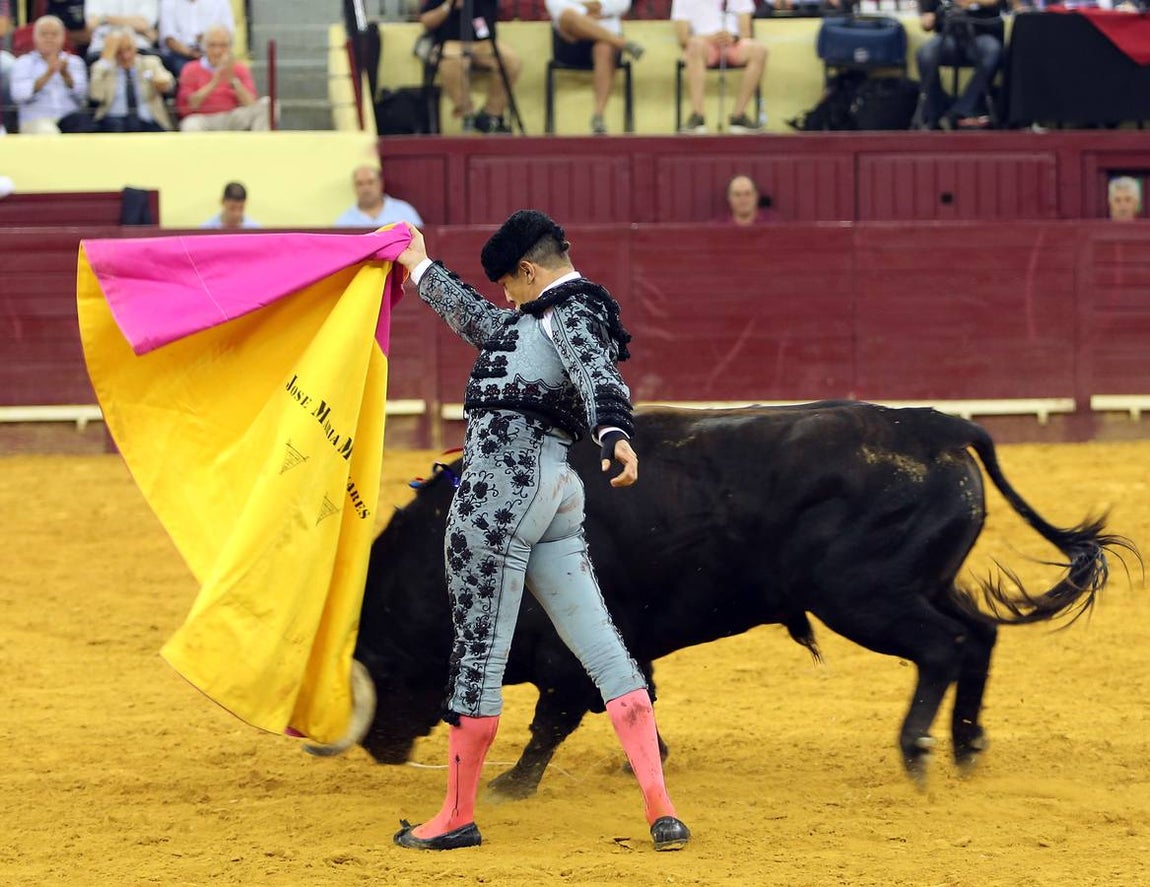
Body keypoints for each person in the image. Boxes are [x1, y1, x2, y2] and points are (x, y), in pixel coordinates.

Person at [390, 210, 691, 853]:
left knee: (478, 654)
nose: (505, 297)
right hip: (556, 492)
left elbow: (595, 371)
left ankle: (456, 816)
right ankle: (661, 810)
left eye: (509, 284)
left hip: (500, 493)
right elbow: (485, 324)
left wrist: (615, 431)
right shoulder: (539, 319)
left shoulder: (566, 313)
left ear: (529, 270)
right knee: (604, 648)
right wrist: (419, 266)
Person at [543, 0, 645, 135]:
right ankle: (622, 43)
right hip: (571, 43)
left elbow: (622, 4)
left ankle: (598, 116)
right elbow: (555, 6)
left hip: (606, 37)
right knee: (568, 16)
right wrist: (585, 13)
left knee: (605, 48)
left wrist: (598, 8)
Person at [418, 0, 521, 134]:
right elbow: (427, 22)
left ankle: (491, 116)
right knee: (450, 63)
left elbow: (487, 27)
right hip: (449, 44)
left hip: (481, 44)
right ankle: (467, 113)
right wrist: (449, 6)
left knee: (510, 60)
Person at [671, 0, 768, 134]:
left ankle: (738, 116)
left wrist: (732, 38)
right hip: (704, 45)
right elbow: (683, 39)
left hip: (733, 44)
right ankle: (698, 116)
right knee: (694, 46)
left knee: (759, 50)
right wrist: (710, 38)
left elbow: (746, 34)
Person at [914, 0, 1006, 130]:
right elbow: (926, 22)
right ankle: (935, 111)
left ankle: (961, 110)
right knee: (926, 54)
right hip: (950, 36)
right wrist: (929, 19)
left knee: (992, 50)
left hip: (983, 35)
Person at [9, 15, 95, 134]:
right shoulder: (23, 62)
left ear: (63, 37)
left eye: (54, 34)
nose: (49, 38)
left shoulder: (74, 62)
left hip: (68, 119)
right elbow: (19, 95)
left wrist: (66, 76)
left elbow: (83, 98)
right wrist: (47, 74)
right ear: (34, 37)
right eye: (44, 34)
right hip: (36, 121)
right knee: (47, 131)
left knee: (85, 124)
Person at [176, 24, 271, 131]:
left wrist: (233, 81)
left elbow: (250, 104)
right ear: (204, 47)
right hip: (203, 119)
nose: (217, 51)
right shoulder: (190, 68)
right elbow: (188, 107)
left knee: (268, 104)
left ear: (230, 47)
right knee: (190, 125)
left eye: (223, 46)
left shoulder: (240, 69)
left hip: (233, 117)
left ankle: (259, 141)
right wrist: (214, 82)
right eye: (212, 45)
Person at [89, 28, 174, 131]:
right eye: (119, 52)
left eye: (129, 49)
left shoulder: (150, 63)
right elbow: (96, 96)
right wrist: (105, 62)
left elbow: (167, 82)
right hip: (113, 121)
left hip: (147, 120)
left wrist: (163, 83)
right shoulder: (102, 69)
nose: (126, 56)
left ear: (135, 47)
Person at [158, 0, 234, 78]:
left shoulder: (220, 2)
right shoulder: (169, 2)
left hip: (213, 51)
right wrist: (190, 53)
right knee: (187, 71)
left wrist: (208, 39)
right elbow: (169, 38)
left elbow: (227, 33)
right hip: (181, 54)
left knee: (232, 70)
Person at [332, 164, 423, 227]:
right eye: (360, 184)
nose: (366, 188)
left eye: (370, 182)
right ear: (354, 187)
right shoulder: (344, 221)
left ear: (380, 183)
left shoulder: (404, 211)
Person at [84, 0, 159, 63]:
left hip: (140, 48)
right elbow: (92, 23)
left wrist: (104, 19)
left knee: (155, 62)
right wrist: (135, 24)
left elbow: (143, 23)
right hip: (101, 48)